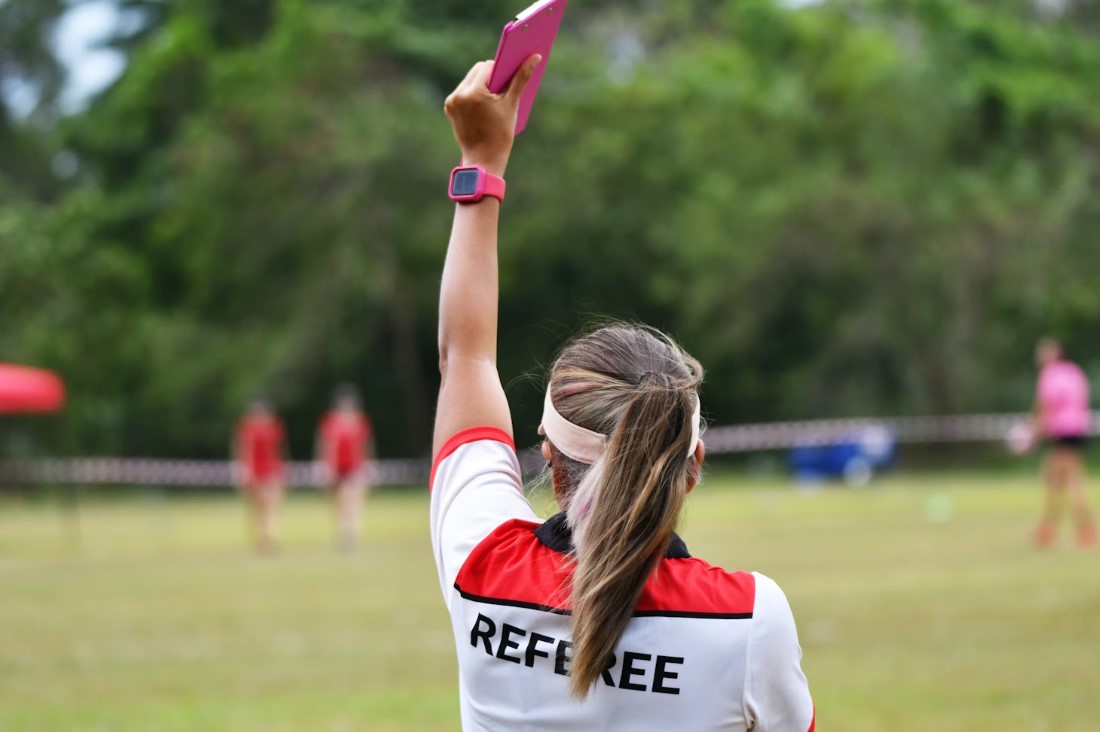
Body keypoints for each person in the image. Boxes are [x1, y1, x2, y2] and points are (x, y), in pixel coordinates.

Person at [428, 57, 815, 731]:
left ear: (548, 455)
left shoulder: (480, 562)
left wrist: (481, 160)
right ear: (690, 468)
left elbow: (464, 355)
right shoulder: (749, 621)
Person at [1032, 338, 1095, 548]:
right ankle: (1050, 526)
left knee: (1063, 480)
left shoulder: (1049, 375)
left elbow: (1045, 408)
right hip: (1078, 430)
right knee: (1060, 479)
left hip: (1061, 431)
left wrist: (1032, 435)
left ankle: (1078, 528)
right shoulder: (1074, 371)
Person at [316, 385, 373, 550]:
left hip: (354, 468)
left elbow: (365, 446)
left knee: (353, 501)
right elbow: (325, 445)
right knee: (340, 503)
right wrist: (325, 467)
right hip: (336, 469)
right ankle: (344, 531)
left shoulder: (359, 422)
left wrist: (366, 467)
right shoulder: (330, 422)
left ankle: (351, 533)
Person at [233, 395, 286, 554]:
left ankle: (268, 538)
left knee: (269, 507)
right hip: (255, 471)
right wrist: (243, 470)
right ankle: (263, 539)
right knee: (259, 508)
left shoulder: (272, 427)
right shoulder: (249, 427)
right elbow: (243, 450)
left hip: (270, 471)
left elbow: (280, 450)